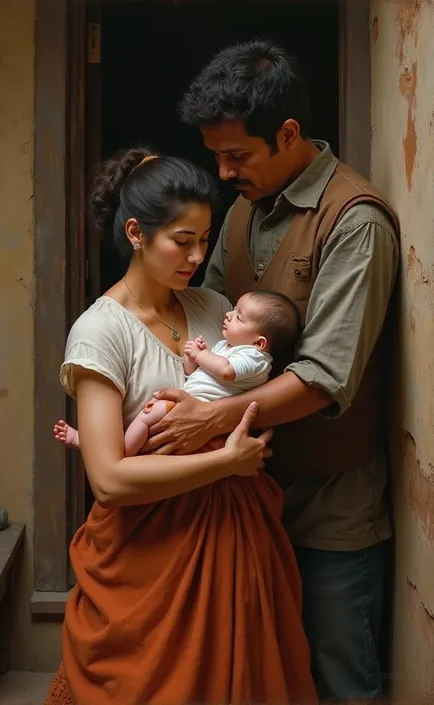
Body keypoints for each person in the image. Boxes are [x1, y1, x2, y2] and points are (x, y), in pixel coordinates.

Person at [142, 40, 400, 702]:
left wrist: (215, 414)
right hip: (247, 494)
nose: (223, 171)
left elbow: (324, 374)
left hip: (332, 502)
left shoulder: (356, 221)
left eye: (238, 155)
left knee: (340, 676)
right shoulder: (240, 212)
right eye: (216, 154)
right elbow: (213, 334)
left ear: (289, 133)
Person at [44, 147, 317, 705]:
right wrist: (226, 461)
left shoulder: (212, 306)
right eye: (182, 240)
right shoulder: (100, 332)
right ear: (137, 233)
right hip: (147, 554)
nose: (197, 255)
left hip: (233, 539)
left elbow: (250, 392)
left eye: (204, 238)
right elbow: (109, 481)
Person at [54, 289, 300, 455]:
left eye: (239, 317)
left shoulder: (256, 358)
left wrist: (203, 356)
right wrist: (193, 359)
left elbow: (225, 372)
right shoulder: (227, 346)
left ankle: (121, 454)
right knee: (140, 424)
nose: (228, 315)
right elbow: (192, 373)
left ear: (259, 342)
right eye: (233, 310)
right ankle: (101, 447)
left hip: (199, 407)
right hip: (190, 401)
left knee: (146, 418)